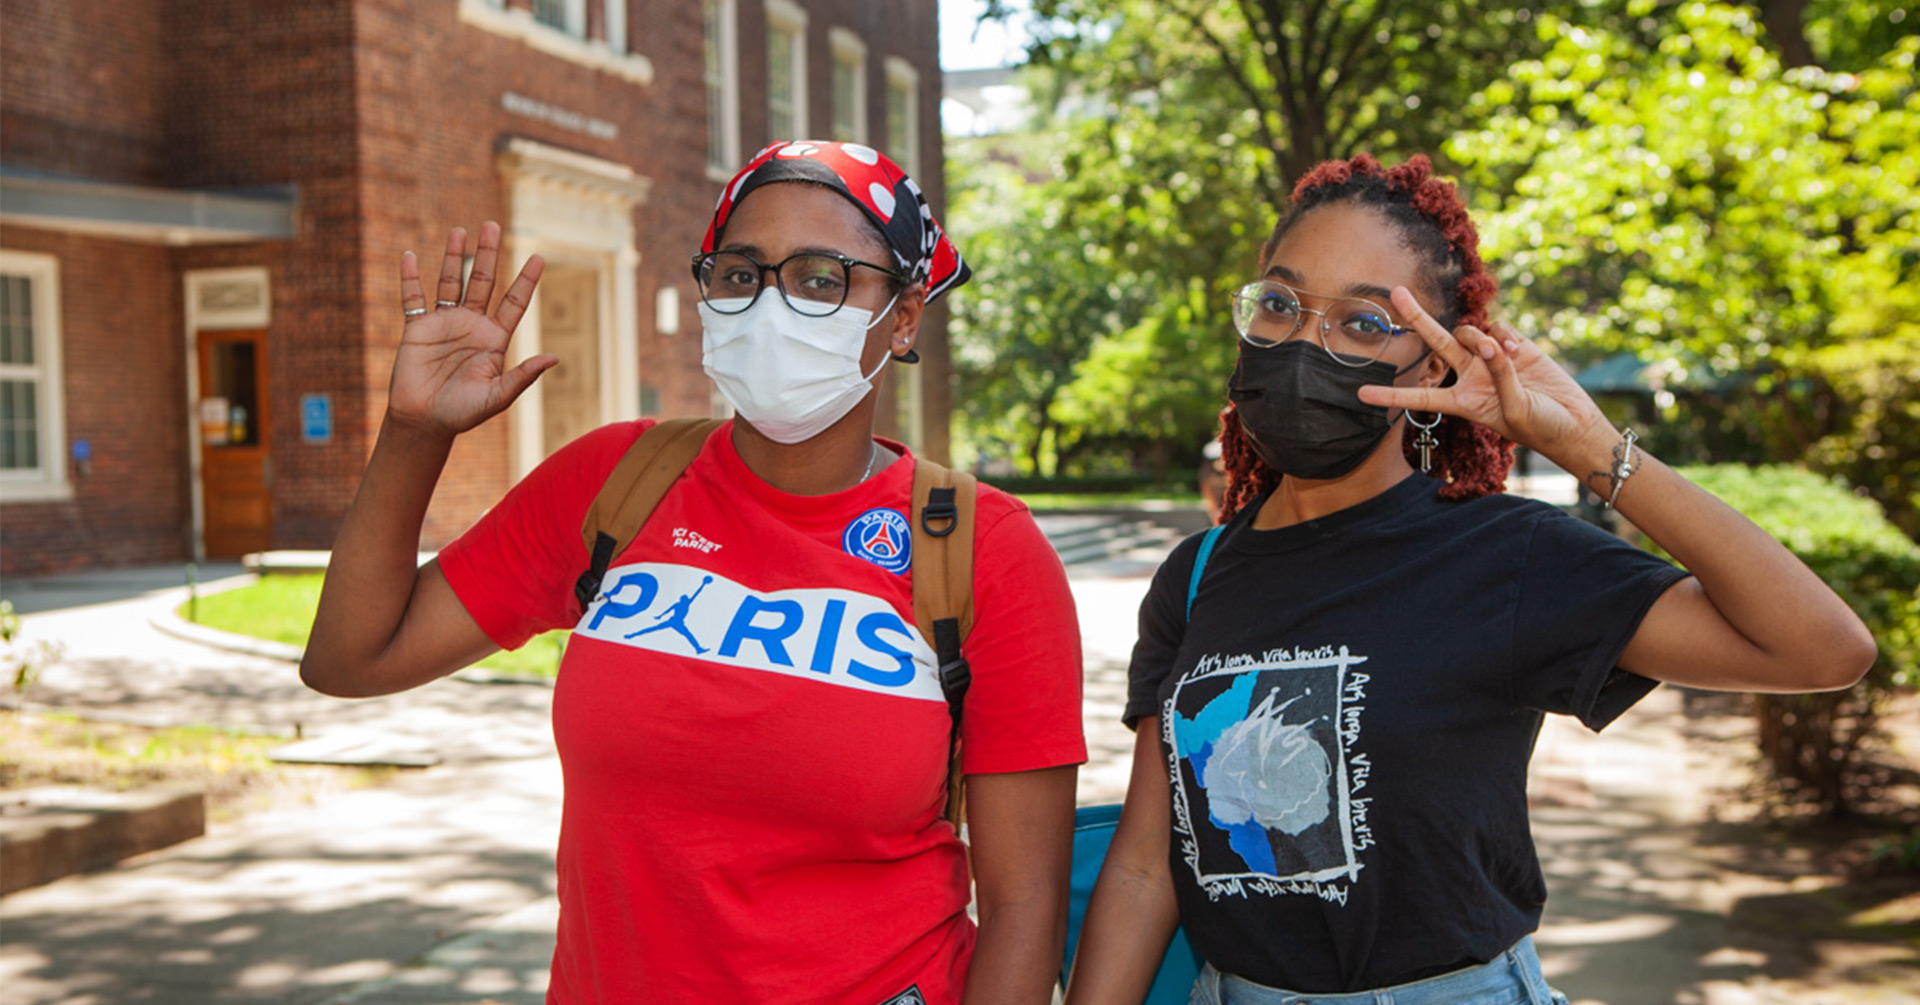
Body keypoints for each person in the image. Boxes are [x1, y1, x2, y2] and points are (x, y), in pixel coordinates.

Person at [1062, 153, 1875, 1005]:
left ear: (1429, 369)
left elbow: (1822, 648)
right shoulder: (1197, 576)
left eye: (1364, 323)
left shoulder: (1505, 556)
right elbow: (1147, 868)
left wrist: (1588, 447)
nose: (1308, 342)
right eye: (1281, 303)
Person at [300, 140, 1086, 1004]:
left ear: (903, 318)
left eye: (821, 278)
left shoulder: (986, 549)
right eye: (741, 273)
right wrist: (415, 434)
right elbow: (350, 658)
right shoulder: (617, 481)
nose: (772, 304)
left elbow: (1024, 904)